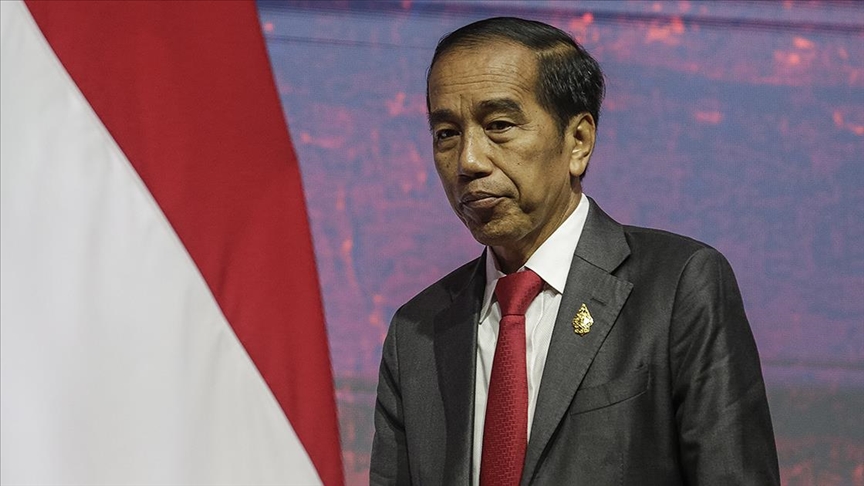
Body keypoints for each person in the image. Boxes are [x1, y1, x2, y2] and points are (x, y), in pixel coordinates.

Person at [370, 16, 779, 486]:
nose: (469, 161)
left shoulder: (677, 288)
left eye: (499, 125)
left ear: (578, 141)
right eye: (446, 133)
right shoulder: (416, 333)